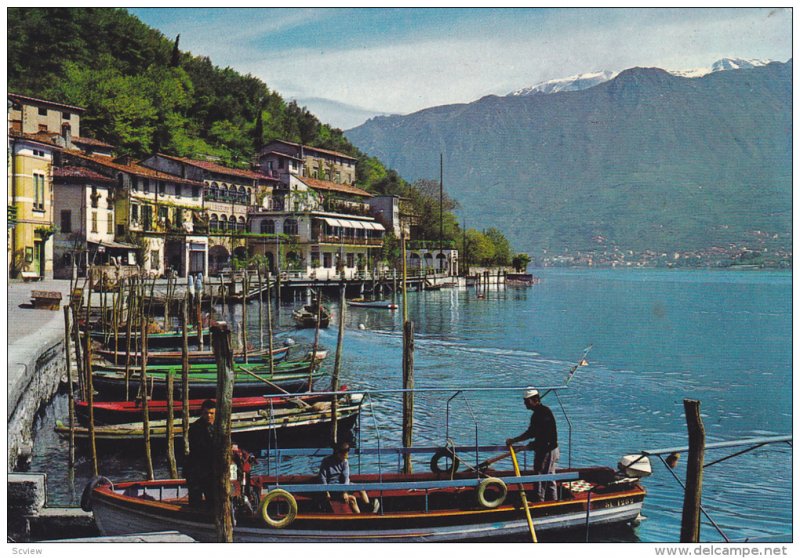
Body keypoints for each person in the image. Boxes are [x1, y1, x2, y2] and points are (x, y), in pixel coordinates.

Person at [505, 387, 560, 501]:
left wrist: (519, 442)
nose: (525, 404)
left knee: (542, 477)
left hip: (547, 450)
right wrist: (517, 441)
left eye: (527, 401)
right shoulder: (540, 413)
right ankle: (550, 500)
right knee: (547, 476)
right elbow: (534, 433)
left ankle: (542, 501)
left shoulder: (542, 413)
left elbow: (540, 435)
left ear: (534, 400)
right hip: (546, 448)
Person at [319, 440, 379, 514]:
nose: (345, 457)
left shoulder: (345, 461)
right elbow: (322, 477)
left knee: (361, 489)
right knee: (352, 499)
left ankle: (369, 508)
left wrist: (345, 491)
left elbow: (346, 478)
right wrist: (326, 492)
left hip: (342, 485)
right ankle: (360, 516)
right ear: (338, 453)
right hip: (331, 487)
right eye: (343, 454)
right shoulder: (326, 461)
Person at [185, 399, 216, 508]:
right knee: (195, 502)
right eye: (206, 413)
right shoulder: (195, 428)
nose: (208, 416)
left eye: (211, 413)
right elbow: (201, 448)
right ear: (202, 413)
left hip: (211, 470)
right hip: (196, 470)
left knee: (213, 499)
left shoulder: (219, 426)